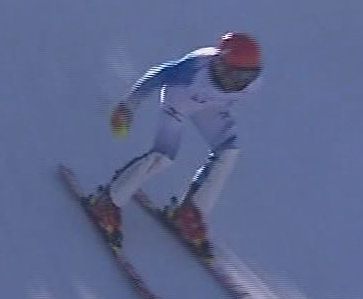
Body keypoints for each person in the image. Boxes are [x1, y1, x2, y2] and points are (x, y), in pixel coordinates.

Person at [82, 32, 264, 259]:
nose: (236, 83)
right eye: (232, 75)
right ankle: (107, 202)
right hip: (178, 102)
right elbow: (158, 74)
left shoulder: (251, 84)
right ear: (218, 63)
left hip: (210, 107)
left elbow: (223, 94)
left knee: (228, 152)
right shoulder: (195, 67)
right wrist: (128, 106)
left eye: (244, 77)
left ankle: (190, 212)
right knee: (163, 156)